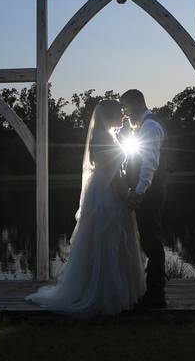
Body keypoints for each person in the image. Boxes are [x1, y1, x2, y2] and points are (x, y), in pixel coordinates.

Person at [25, 99, 145, 317]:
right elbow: (114, 177)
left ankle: (98, 290)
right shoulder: (105, 139)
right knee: (109, 244)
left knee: (101, 245)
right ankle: (106, 297)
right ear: (108, 115)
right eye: (119, 112)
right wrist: (127, 196)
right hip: (109, 196)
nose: (123, 116)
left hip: (99, 193)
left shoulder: (102, 136)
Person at [119, 88, 168, 308]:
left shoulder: (150, 126)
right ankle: (152, 290)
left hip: (149, 194)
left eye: (126, 108)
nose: (125, 113)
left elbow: (149, 164)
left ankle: (156, 296)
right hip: (146, 193)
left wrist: (138, 192)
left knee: (152, 241)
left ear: (137, 103)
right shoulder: (141, 127)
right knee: (149, 240)